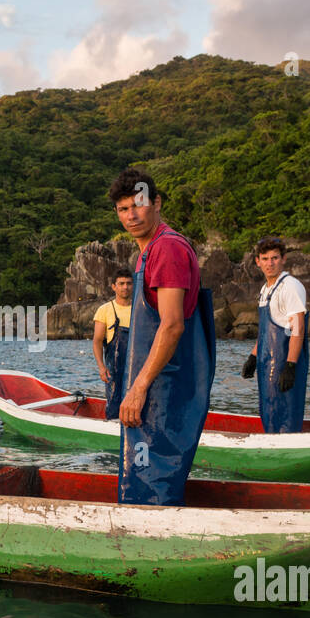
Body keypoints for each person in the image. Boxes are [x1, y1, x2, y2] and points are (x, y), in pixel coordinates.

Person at [110, 168, 215, 506]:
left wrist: (138, 388)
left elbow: (172, 326)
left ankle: (148, 546)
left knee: (152, 477)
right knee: (144, 472)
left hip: (162, 389)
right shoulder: (149, 251)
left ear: (156, 203)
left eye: (138, 205)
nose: (131, 215)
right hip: (157, 385)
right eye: (123, 209)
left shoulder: (167, 249)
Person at [241, 237, 308, 433]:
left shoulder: (290, 287)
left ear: (283, 259)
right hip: (265, 362)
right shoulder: (266, 289)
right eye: (265, 258)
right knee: (269, 410)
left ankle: (286, 448)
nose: (270, 263)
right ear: (257, 261)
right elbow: (265, 331)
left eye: (275, 258)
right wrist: (253, 357)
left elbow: (298, 329)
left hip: (283, 362)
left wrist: (290, 366)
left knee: (285, 414)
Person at [91, 270, 133, 419]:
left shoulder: (140, 309)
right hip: (114, 370)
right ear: (114, 287)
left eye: (128, 283)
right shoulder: (105, 310)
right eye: (121, 284)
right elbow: (96, 341)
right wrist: (101, 367)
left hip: (137, 368)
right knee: (114, 407)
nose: (125, 287)